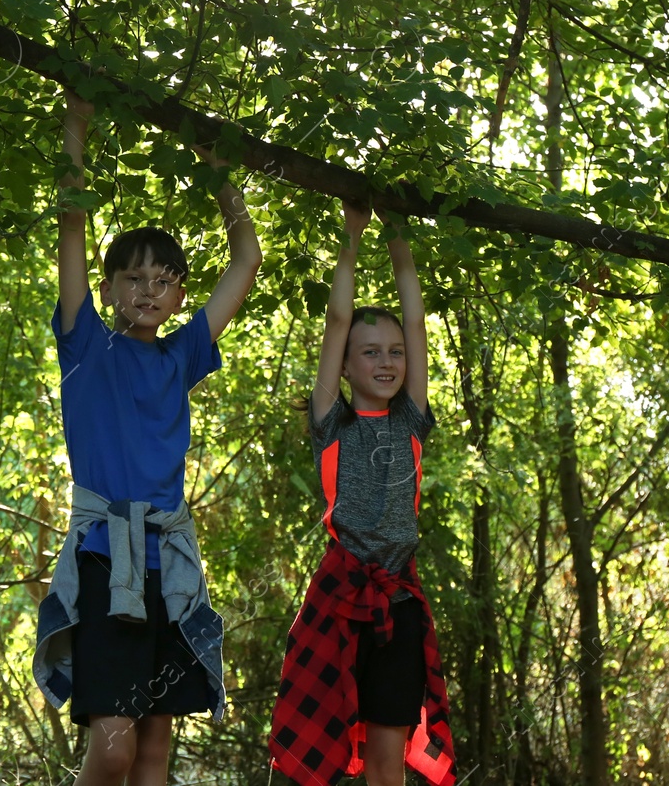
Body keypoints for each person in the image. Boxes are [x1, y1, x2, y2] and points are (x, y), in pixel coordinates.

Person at [33, 89, 262, 786]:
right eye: (132, 277)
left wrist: (217, 168)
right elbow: (72, 227)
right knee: (113, 746)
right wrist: (76, 125)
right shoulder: (85, 348)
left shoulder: (180, 355)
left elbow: (246, 259)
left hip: (170, 565)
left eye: (163, 280)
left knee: (156, 752)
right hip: (106, 564)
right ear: (106, 289)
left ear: (179, 293)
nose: (148, 290)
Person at [269, 201, 456, 786]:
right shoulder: (334, 424)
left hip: (397, 602)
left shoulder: (412, 420)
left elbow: (418, 322)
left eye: (395, 352)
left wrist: (399, 239)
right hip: (339, 595)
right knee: (318, 742)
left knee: (386, 755)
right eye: (370, 352)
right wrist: (352, 235)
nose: (387, 360)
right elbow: (333, 320)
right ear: (345, 368)